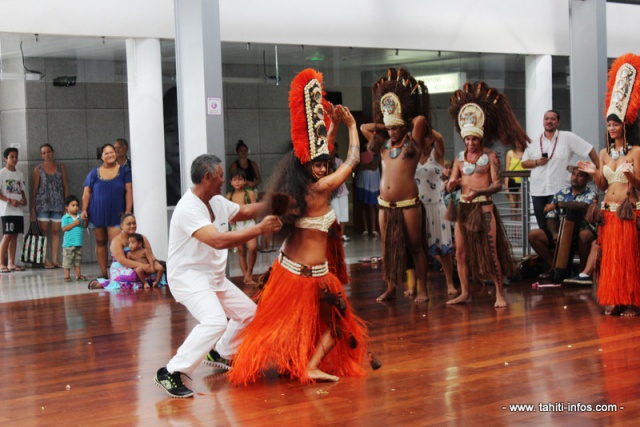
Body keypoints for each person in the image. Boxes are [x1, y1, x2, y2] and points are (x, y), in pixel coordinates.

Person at [229, 69, 368, 385]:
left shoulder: (302, 184)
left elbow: (323, 150)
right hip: (302, 277)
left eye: (324, 164)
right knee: (321, 324)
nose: (322, 168)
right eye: (317, 165)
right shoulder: (319, 189)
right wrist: (351, 127)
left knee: (330, 324)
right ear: (306, 166)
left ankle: (302, 362)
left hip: (305, 273)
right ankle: (304, 364)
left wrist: (332, 126)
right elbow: (352, 161)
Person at [154, 153, 282, 398]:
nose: (224, 180)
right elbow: (217, 240)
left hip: (213, 277)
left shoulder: (216, 201)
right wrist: (260, 229)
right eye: (221, 176)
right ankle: (170, 371)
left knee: (249, 314)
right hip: (188, 278)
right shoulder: (188, 208)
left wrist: (276, 204)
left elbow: (245, 211)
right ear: (207, 177)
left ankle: (221, 352)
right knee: (214, 321)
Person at [446, 82, 528, 308]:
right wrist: (451, 184)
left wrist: (479, 192)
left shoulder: (491, 156)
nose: (470, 143)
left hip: (484, 208)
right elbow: (451, 185)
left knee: (491, 253)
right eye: (467, 139)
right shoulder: (459, 158)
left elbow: (498, 185)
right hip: (463, 208)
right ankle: (465, 293)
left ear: (480, 138)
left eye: (474, 139)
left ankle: (500, 294)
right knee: (460, 253)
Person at [360, 68, 431, 303]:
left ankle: (423, 290)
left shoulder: (413, 146)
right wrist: (386, 122)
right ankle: (391, 287)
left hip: (408, 204)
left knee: (415, 247)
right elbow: (364, 128)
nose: (391, 131)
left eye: (395, 128)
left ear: (403, 127)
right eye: (389, 128)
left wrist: (401, 118)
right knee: (387, 248)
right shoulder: (383, 146)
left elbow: (420, 121)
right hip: (385, 205)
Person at [577, 53, 640, 317]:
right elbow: (603, 186)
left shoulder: (636, 152)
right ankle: (616, 299)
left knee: (628, 257)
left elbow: (639, 185)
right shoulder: (603, 154)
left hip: (628, 211)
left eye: (615, 124)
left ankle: (633, 302)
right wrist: (594, 172)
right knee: (611, 258)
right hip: (608, 213)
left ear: (625, 125)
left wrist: (630, 177)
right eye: (609, 124)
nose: (611, 128)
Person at [522, 110, 599, 233]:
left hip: (559, 190)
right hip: (538, 190)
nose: (549, 121)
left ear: (558, 122)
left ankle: (561, 246)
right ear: (543, 121)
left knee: (560, 227)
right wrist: (536, 162)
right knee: (543, 227)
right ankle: (549, 246)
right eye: (546, 119)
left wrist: (599, 170)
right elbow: (524, 163)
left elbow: (589, 149)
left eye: (552, 119)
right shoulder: (534, 141)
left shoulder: (567, 137)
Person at [528, 166, 596, 277]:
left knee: (585, 235)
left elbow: (583, 206)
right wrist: (554, 233)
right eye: (573, 174)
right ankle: (554, 268)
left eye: (580, 175)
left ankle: (582, 272)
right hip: (562, 231)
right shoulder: (561, 193)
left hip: (581, 231)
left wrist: (557, 205)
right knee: (533, 235)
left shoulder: (591, 193)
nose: (575, 178)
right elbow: (550, 217)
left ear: (587, 179)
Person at [411, 129, 456, 296]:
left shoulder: (436, 155)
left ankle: (450, 283)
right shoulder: (412, 155)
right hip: (417, 207)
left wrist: (424, 125)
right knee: (415, 247)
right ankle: (413, 285)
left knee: (443, 249)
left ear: (430, 139)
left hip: (436, 206)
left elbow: (441, 138)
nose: (422, 140)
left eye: (425, 137)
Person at [82, 143, 132, 279]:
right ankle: (103, 273)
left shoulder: (124, 171)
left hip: (117, 213)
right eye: (107, 153)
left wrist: (128, 210)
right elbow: (87, 193)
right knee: (100, 242)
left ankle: (118, 273)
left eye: (112, 152)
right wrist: (84, 210)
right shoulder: (94, 173)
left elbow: (129, 191)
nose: (110, 155)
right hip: (97, 212)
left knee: (116, 243)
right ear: (101, 156)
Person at [88, 213, 166, 291]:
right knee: (131, 276)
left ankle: (151, 282)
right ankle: (104, 283)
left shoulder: (141, 238)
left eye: (134, 223)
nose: (132, 226)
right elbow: (123, 261)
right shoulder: (117, 241)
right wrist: (143, 266)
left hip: (143, 265)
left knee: (159, 270)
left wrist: (155, 264)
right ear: (122, 226)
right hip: (122, 267)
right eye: (129, 224)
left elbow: (151, 255)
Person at [30, 143, 69, 269]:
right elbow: (34, 189)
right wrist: (32, 209)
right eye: (44, 153)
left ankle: (55, 259)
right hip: (42, 204)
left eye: (48, 152)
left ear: (53, 152)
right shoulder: (38, 169)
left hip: (58, 203)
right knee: (44, 231)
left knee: (57, 231)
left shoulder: (61, 167)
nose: (47, 154)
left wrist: (67, 204)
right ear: (41, 155)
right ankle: (45, 259)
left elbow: (65, 186)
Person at [226, 168, 258, 285]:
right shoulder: (229, 195)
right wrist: (229, 219)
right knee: (241, 251)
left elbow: (255, 208)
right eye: (234, 180)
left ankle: (249, 272)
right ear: (231, 182)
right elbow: (226, 211)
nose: (237, 182)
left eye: (240, 179)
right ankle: (246, 277)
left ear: (245, 181)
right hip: (237, 225)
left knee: (253, 248)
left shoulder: (249, 193)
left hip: (249, 223)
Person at [0, 147, 27, 273]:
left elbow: (22, 190)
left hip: (18, 211)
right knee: (7, 235)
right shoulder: (2, 173)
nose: (14, 159)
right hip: (7, 210)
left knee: (15, 235)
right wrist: (9, 200)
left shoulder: (19, 174)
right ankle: (1, 263)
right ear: (6, 158)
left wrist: (23, 200)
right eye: (11, 157)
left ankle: (11, 263)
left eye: (16, 157)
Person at [354, 147, 380, 237]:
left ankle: (373, 229)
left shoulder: (377, 155)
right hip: (362, 182)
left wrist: (363, 165)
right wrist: (366, 165)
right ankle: (365, 229)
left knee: (372, 206)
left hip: (373, 184)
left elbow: (374, 167)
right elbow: (356, 168)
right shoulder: (359, 155)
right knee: (364, 205)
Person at [61, 195, 86, 282]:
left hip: (78, 243)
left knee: (77, 260)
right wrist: (74, 224)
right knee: (67, 260)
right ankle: (67, 275)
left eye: (77, 205)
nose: (76, 208)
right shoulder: (65, 217)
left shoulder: (79, 217)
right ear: (67, 206)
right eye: (73, 205)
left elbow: (84, 226)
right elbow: (64, 228)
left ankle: (78, 274)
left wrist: (85, 219)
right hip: (69, 244)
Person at [330, 143, 351, 241]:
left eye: (333, 149)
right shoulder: (325, 162)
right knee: (336, 214)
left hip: (342, 191)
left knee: (344, 214)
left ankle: (342, 234)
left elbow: (342, 174)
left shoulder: (339, 161)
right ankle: (336, 235)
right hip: (332, 192)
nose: (332, 151)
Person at [504, 143, 525, 216]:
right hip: (512, 181)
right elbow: (507, 170)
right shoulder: (510, 153)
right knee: (513, 206)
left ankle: (522, 222)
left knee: (523, 206)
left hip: (523, 181)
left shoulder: (526, 153)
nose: (519, 143)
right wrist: (506, 188)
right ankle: (514, 223)